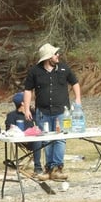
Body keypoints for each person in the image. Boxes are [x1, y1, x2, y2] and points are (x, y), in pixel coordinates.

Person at [23, 43, 81, 181]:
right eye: (55, 54)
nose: (58, 55)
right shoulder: (35, 71)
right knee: (46, 140)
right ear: (48, 57)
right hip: (42, 112)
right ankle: (49, 169)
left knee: (60, 139)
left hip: (62, 111)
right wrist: (26, 108)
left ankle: (57, 168)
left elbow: (75, 83)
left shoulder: (63, 68)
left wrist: (78, 99)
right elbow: (27, 90)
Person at [5, 92, 43, 174]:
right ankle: (38, 167)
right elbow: (8, 130)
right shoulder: (12, 116)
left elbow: (40, 124)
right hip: (24, 141)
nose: (30, 101)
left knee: (52, 140)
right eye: (27, 99)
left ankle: (52, 166)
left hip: (38, 137)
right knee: (37, 141)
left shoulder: (32, 113)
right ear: (22, 103)